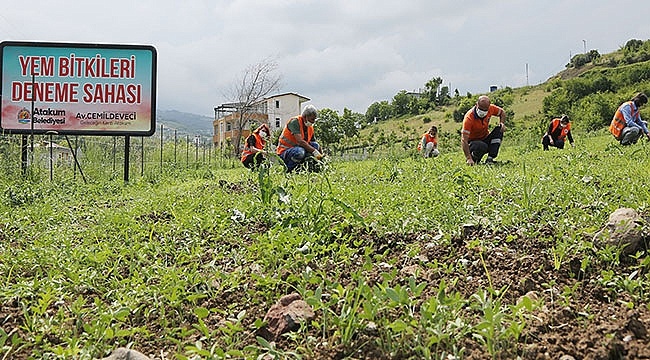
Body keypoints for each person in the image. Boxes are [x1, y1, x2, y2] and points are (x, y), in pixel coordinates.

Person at [461, 95, 506, 165]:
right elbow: (464, 140)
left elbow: (502, 112)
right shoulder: (469, 118)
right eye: (481, 109)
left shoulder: (491, 108)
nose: (483, 112)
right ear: (476, 105)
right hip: (473, 142)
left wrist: (502, 123)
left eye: (485, 110)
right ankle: (473, 159)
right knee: (481, 146)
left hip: (485, 138)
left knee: (499, 130)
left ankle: (490, 159)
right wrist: (468, 158)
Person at [276, 104, 323, 172]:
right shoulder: (295, 122)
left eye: (314, 119)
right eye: (312, 119)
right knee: (300, 152)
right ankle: (289, 170)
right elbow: (300, 141)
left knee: (315, 145)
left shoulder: (310, 127)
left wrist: (321, 155)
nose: (313, 122)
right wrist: (314, 151)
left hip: (298, 149)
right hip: (284, 152)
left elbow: (314, 143)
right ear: (305, 117)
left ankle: (308, 168)